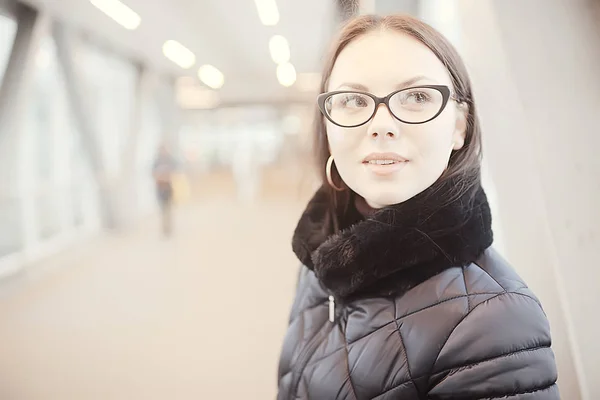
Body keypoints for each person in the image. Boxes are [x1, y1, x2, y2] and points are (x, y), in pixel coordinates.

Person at [277, 14, 559, 399]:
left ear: (460, 125)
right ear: (327, 124)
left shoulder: (495, 321)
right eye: (353, 100)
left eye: (417, 97)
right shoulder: (321, 259)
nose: (381, 124)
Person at [152, 144, 177, 236]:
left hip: (168, 187)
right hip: (159, 187)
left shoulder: (170, 160)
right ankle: (164, 229)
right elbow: (152, 173)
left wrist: (167, 175)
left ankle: (169, 228)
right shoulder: (156, 161)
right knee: (162, 209)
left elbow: (175, 170)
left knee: (168, 208)